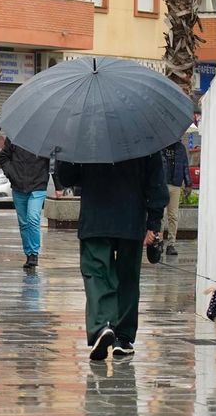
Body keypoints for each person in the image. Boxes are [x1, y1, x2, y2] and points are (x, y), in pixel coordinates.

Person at [53, 151, 168, 360]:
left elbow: (68, 177)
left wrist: (64, 152)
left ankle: (101, 326)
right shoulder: (143, 134)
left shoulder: (85, 132)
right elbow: (156, 180)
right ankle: (123, 338)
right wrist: (154, 223)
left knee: (96, 274)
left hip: (96, 218)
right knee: (128, 278)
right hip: (131, 218)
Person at [0, 138, 50, 270]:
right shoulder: (14, 137)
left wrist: (59, 186)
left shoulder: (44, 138)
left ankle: (34, 254)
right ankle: (28, 253)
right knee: (23, 223)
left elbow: (53, 161)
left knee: (33, 218)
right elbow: (3, 156)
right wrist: (11, 173)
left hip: (38, 185)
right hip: (18, 186)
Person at [161, 139, 188, 256]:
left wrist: (188, 183)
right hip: (162, 184)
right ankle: (159, 241)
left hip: (175, 184)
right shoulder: (161, 146)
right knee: (160, 215)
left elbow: (185, 166)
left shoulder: (181, 148)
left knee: (173, 216)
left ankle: (171, 244)